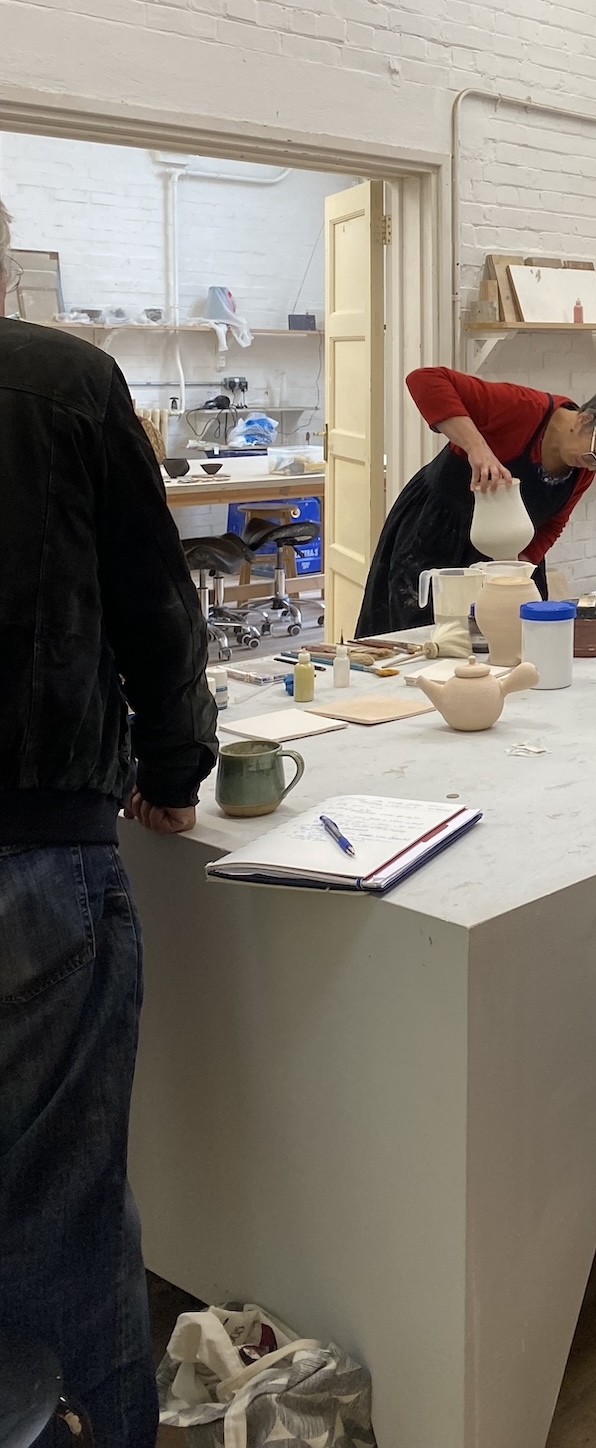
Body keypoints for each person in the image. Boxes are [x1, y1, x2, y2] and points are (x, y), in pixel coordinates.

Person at [0, 195, 219, 1448]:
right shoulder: (67, 382)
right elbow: (155, 598)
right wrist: (176, 760)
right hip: (38, 844)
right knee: (64, 1202)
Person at [356, 371, 596, 634]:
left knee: (512, 640)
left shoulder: (582, 467)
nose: (592, 467)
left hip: (503, 557)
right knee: (422, 638)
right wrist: (477, 448)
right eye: (595, 455)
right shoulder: (522, 408)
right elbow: (424, 379)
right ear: (585, 420)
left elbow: (553, 523)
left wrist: (521, 566)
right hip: (435, 532)